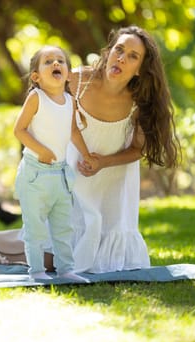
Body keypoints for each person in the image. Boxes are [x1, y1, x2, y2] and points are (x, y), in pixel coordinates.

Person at [65, 25, 180, 273]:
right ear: (108, 52)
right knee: (54, 257)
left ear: (140, 69)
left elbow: (139, 149)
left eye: (132, 56)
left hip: (113, 181)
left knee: (108, 264)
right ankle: (6, 243)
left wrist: (102, 162)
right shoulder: (76, 80)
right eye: (119, 49)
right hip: (71, 176)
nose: (121, 58)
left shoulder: (139, 102)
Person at [13, 45, 92, 282]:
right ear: (36, 77)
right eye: (48, 62)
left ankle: (66, 269)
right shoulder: (36, 98)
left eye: (60, 61)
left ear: (67, 73)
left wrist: (87, 155)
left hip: (60, 174)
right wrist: (42, 150)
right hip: (35, 174)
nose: (56, 64)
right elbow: (19, 130)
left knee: (63, 227)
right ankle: (36, 271)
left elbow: (74, 132)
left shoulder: (70, 101)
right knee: (35, 227)